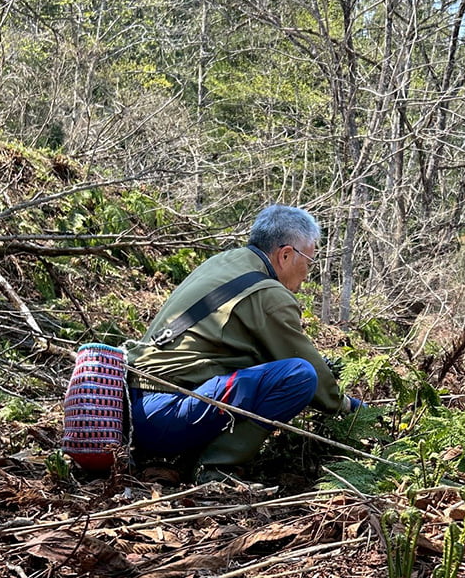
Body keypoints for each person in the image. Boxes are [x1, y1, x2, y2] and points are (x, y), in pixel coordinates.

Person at [125, 204, 365, 480]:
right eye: (308, 262)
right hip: (163, 415)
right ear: (286, 255)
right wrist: (349, 408)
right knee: (300, 376)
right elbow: (312, 377)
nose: (307, 273)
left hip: (132, 409)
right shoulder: (268, 293)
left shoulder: (223, 262)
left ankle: (189, 455)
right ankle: (214, 469)